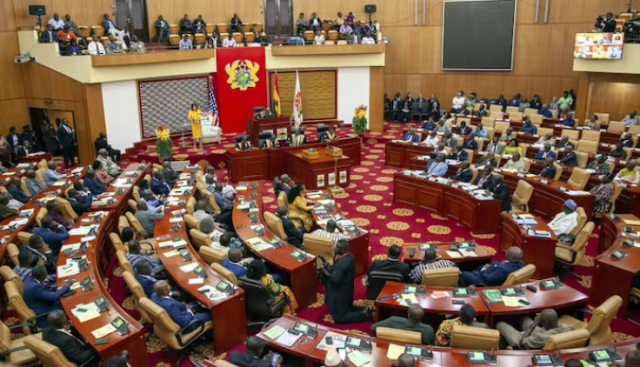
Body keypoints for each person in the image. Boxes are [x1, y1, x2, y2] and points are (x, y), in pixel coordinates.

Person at [323, 239, 371, 323]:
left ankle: (363, 314)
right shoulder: (350, 256)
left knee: (338, 318)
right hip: (348, 288)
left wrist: (326, 273)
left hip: (340, 292)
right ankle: (363, 309)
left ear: (342, 249)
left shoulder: (342, 264)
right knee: (347, 307)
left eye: (337, 247)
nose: (334, 248)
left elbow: (335, 280)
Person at [497, 309, 572, 349]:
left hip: (524, 342)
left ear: (545, 322)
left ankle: (503, 344)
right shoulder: (566, 328)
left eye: (541, 320)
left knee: (500, 324)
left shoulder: (540, 337)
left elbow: (522, 342)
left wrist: (533, 325)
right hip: (543, 333)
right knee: (524, 318)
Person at [459, 246, 524, 287]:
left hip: (485, 282)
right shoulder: (521, 263)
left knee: (464, 274)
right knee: (479, 265)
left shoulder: (503, 270)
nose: (506, 253)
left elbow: (488, 279)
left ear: (511, 257)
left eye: (508, 252)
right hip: (493, 272)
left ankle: (464, 292)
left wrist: (484, 270)